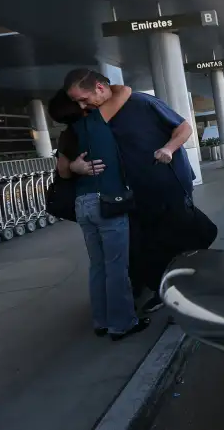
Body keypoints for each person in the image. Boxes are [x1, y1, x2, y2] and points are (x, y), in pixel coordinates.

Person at [63, 68, 218, 314]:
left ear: (100, 88)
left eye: (84, 98)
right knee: (148, 245)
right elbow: (67, 156)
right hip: (132, 195)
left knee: (181, 238)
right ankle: (163, 291)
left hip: (168, 185)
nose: (82, 106)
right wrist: (76, 166)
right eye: (77, 102)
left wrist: (168, 148)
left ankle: (193, 292)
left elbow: (184, 128)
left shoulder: (142, 103)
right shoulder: (98, 118)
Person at [48, 85, 151, 341]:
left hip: (82, 205)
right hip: (107, 201)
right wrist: (89, 89)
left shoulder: (68, 134)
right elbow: (124, 90)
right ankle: (122, 324)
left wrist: (75, 166)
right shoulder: (98, 119)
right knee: (117, 266)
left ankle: (102, 321)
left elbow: (62, 171)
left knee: (98, 266)